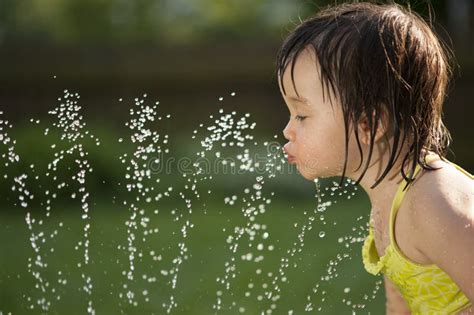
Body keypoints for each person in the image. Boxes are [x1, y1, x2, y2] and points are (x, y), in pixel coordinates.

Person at [275, 2, 473, 313]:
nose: (288, 130)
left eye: (301, 115)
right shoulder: (388, 200)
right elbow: (400, 304)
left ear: (369, 125)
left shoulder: (433, 204)